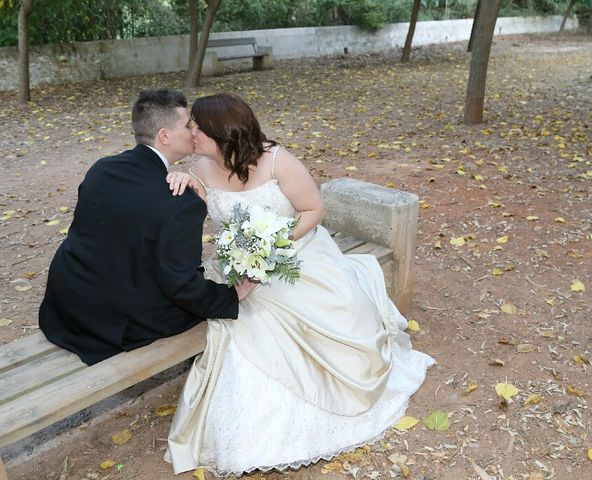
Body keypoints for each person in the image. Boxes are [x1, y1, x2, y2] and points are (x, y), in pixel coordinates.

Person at [164, 93, 435, 476]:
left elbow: (314, 210)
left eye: (197, 126)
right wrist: (180, 177)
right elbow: (193, 199)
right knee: (242, 318)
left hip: (296, 253)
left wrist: (271, 247)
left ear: (220, 133)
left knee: (316, 308)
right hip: (238, 268)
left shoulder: (278, 161)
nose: (191, 131)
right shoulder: (200, 169)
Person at [38, 89, 254, 366]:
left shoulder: (102, 169)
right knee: (200, 310)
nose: (193, 130)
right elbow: (181, 286)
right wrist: (230, 296)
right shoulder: (182, 203)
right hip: (119, 323)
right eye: (188, 124)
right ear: (164, 136)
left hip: (67, 305)